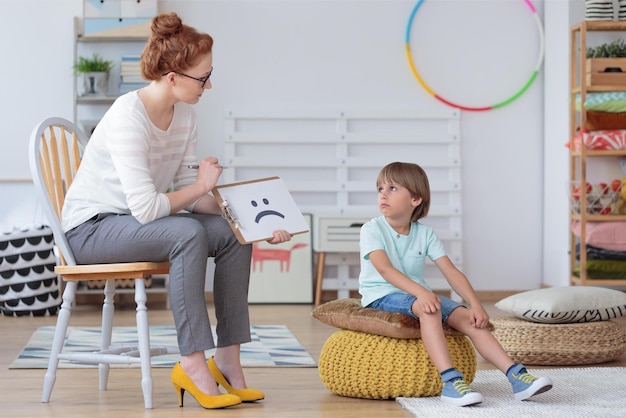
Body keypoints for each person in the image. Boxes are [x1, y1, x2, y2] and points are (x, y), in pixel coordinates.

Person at [62, 12, 291, 410]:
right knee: (188, 233)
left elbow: (193, 197)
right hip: (91, 230)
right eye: (202, 78)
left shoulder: (185, 116)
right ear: (172, 77)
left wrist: (250, 221)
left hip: (134, 224)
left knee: (230, 234)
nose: (209, 84)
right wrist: (202, 185)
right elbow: (150, 207)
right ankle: (191, 362)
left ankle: (228, 360)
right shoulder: (126, 118)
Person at [358, 162, 552, 407]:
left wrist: (475, 305)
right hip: (381, 294)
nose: (383, 194)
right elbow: (385, 270)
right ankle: (450, 382)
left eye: (393, 188)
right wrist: (422, 294)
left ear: (416, 199)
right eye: (379, 189)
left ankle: (517, 377)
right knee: (430, 307)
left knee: (470, 320)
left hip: (416, 294)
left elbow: (450, 271)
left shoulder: (425, 233)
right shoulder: (372, 229)